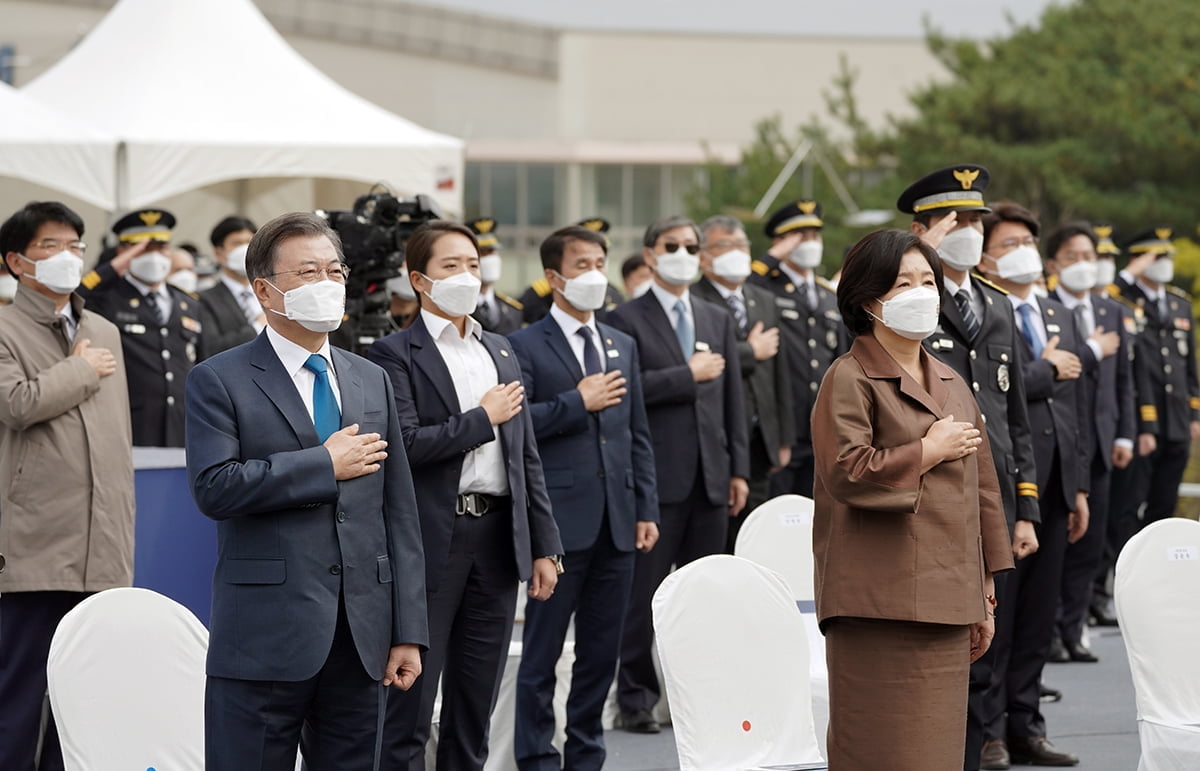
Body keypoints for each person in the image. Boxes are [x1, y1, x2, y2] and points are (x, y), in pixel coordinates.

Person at [185, 212, 428, 770]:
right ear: (265, 291)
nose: (328, 284)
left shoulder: (371, 378)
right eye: (308, 272)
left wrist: (407, 629)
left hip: (362, 636)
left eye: (335, 271)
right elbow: (214, 487)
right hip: (265, 636)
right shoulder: (219, 379)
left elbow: (400, 512)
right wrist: (323, 464)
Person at [812, 228, 1013, 769]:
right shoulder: (850, 377)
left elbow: (983, 494)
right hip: (878, 601)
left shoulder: (951, 379)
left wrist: (984, 592)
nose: (921, 292)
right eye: (903, 283)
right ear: (867, 300)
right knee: (877, 751)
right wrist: (925, 450)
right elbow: (846, 471)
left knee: (935, 753)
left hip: (949, 601)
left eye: (928, 279)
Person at [368, 220, 563, 771]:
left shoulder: (499, 349)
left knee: (475, 702)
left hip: (497, 538)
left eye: (473, 265)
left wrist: (545, 544)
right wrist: (482, 418)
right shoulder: (393, 355)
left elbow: (525, 456)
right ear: (419, 280)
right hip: (433, 540)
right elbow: (404, 445)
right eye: (451, 265)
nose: (467, 275)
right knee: (410, 702)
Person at [898, 164, 1042, 770]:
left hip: (993, 492)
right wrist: (917, 265)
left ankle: (982, 745)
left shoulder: (999, 306)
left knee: (992, 632)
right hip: (931, 493)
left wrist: (1026, 505)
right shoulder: (903, 304)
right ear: (922, 230)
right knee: (938, 640)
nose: (970, 233)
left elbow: (1014, 418)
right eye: (955, 221)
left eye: (977, 222)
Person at [508, 225, 660, 771]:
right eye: (581, 265)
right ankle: (535, 755)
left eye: (600, 262)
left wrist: (646, 507)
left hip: (619, 522)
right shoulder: (523, 345)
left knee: (600, 653)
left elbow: (636, 433)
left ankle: (587, 754)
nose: (594, 274)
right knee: (543, 654)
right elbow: (519, 426)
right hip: (560, 525)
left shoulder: (621, 343)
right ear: (553, 278)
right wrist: (578, 400)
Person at [0, 201, 135, 770]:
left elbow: (116, 437)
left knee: (86, 696)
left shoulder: (102, 327)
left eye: (76, 245)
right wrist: (80, 369)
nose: (68, 257)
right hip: (36, 544)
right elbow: (16, 403)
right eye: (51, 247)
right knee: (21, 692)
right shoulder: (5, 327)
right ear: (16, 262)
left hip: (102, 542)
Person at [607, 215, 749, 734]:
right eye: (673, 246)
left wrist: (738, 469)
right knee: (642, 597)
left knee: (705, 595)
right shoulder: (626, 319)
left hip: (712, 478)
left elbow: (733, 399)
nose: (684, 254)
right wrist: (684, 376)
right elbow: (625, 390)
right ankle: (637, 698)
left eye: (692, 247)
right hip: (657, 480)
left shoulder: (714, 317)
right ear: (649, 255)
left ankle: (701, 696)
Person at [977, 202, 1092, 768]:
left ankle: (1027, 724)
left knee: (1038, 617)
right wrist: (1044, 369)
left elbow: (1076, 411)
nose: (1021, 250)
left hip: (1054, 485)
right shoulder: (982, 311)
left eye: (1027, 240)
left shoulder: (1054, 312)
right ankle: (989, 730)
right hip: (1006, 486)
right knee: (1002, 613)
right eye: (1008, 243)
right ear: (984, 257)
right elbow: (996, 395)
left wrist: (1079, 489)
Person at [1045, 222, 1134, 665]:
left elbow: (1124, 382)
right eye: (1072, 257)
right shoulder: (1043, 308)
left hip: (1100, 440)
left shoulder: (1111, 310)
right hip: (1059, 442)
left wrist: (1125, 432)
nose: (1083, 265)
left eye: (1088, 256)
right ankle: (1051, 632)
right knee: (1059, 542)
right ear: (1053, 264)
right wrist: (1092, 350)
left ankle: (1073, 629)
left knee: (1092, 542)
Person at [693, 214, 794, 540]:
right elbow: (701, 361)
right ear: (704, 254)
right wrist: (750, 351)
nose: (736, 251)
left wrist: (783, 437)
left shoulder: (762, 299)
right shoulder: (695, 300)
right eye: (726, 245)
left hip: (759, 434)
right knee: (719, 532)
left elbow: (780, 372)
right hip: (716, 434)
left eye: (741, 244)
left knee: (757, 530)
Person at [78, 207, 206, 447]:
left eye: (161, 247)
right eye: (145, 248)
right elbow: (77, 296)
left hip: (183, 427)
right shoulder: (108, 298)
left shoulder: (189, 303)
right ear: (123, 252)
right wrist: (113, 268)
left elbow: (202, 363)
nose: (154, 255)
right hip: (131, 427)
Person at [748, 199, 849, 497]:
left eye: (814, 236)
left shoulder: (827, 294)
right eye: (800, 237)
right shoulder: (766, 287)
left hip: (822, 426)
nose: (810, 244)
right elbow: (744, 288)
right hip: (783, 428)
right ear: (780, 243)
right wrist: (771, 258)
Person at [1114, 228, 1199, 539]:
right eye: (1157, 256)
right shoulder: (1122, 298)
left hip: (1176, 418)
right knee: (1129, 503)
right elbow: (1102, 296)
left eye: (1168, 256)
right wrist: (1128, 274)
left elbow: (1189, 366)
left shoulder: (1179, 303)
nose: (1165, 263)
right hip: (1141, 420)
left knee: (1165, 503)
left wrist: (1194, 414)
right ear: (1138, 260)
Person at [520, 218, 624, 323]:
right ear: (552, 277)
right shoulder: (543, 290)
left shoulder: (613, 293)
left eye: (599, 264)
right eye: (583, 265)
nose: (593, 272)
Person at [199, 215, 262, 354]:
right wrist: (257, 327)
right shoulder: (203, 300)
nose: (245, 249)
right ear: (218, 253)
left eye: (249, 242)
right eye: (237, 243)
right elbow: (210, 349)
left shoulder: (271, 291)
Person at [464, 217, 524, 335]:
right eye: (482, 252)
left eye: (492, 251)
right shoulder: (457, 307)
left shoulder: (513, 310)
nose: (489, 258)